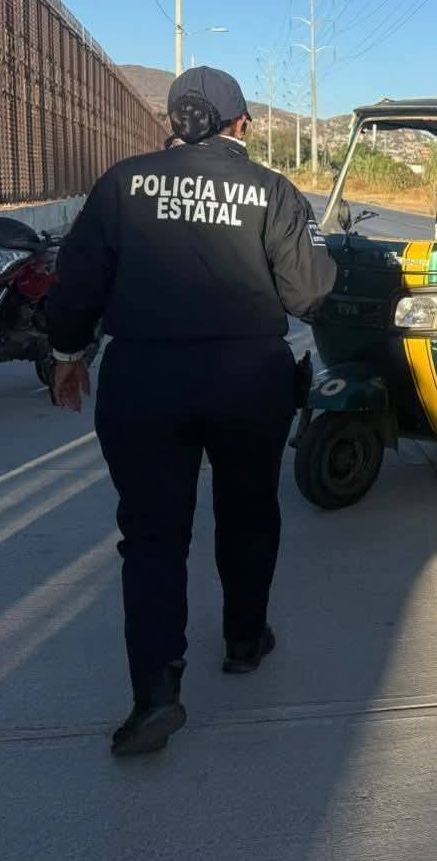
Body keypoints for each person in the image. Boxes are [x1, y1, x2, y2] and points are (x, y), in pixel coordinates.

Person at [46, 66, 337, 756]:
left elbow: (76, 281)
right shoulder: (270, 190)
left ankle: (155, 694)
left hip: (144, 376)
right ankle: (243, 638)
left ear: (173, 122)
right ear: (241, 123)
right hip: (248, 377)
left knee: (150, 537)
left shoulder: (123, 183)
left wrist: (66, 355)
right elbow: (310, 294)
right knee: (248, 514)